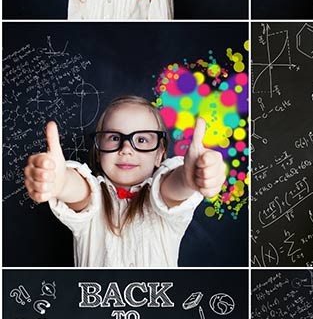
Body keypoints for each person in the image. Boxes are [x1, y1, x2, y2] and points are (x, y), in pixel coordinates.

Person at [24, 95, 225, 267]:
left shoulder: (164, 195)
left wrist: (188, 180)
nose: (126, 149)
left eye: (142, 140)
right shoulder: (91, 198)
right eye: (113, 137)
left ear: (159, 155)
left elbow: (171, 189)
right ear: (98, 150)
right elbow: (81, 193)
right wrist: (62, 183)